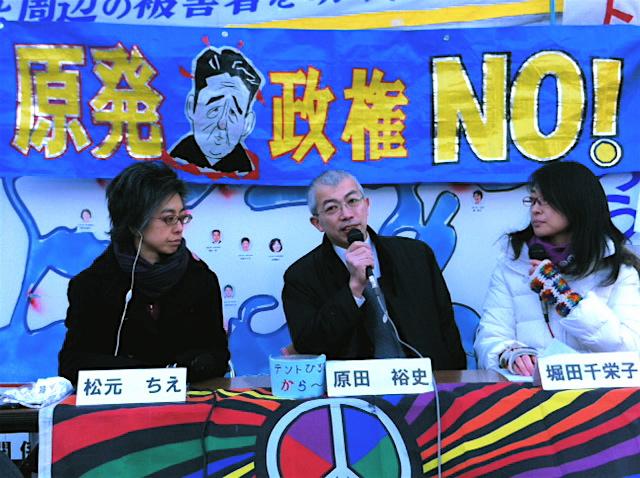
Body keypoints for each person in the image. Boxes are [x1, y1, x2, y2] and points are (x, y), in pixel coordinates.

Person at [58, 162, 229, 384]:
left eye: (182, 218)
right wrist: (147, 375)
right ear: (134, 222)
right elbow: (73, 363)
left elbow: (218, 354)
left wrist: (190, 367)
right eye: (168, 219)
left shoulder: (200, 279)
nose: (179, 228)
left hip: (186, 400)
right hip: (120, 403)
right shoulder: (91, 284)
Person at [282, 170, 465, 368]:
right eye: (332, 208)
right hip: (353, 385)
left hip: (424, 380)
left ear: (367, 205)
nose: (347, 214)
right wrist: (353, 289)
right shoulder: (301, 277)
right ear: (317, 223)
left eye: (352, 201)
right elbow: (308, 345)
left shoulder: (416, 255)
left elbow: (447, 328)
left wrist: (455, 380)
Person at [474, 161, 640, 376]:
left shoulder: (617, 269)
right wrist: (510, 354)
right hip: (530, 391)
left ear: (576, 205)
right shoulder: (512, 262)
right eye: (533, 200)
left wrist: (568, 300)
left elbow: (631, 348)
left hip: (597, 391)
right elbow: (490, 337)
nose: (535, 210)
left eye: (546, 202)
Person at [169, 47, 263, 174]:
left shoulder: (247, 173)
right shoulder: (172, 164)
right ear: (191, 107)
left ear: (247, 124)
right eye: (214, 109)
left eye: (233, 113)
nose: (222, 123)